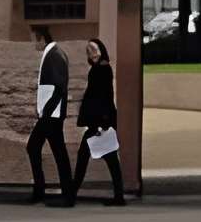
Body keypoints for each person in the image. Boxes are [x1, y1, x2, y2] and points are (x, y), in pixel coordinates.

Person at [71, 37, 126, 205]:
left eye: (94, 49)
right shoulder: (99, 68)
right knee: (107, 160)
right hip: (100, 122)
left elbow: (105, 96)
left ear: (101, 51)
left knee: (93, 158)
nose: (91, 53)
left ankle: (71, 195)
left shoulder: (101, 68)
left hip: (100, 123)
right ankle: (118, 197)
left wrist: (103, 123)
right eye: (88, 50)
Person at [25, 24, 75, 204]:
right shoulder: (53, 54)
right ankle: (64, 194)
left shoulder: (54, 55)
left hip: (51, 115)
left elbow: (59, 87)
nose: (33, 44)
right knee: (57, 152)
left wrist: (46, 111)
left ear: (40, 36)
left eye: (33, 39)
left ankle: (43, 192)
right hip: (51, 114)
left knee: (33, 147)